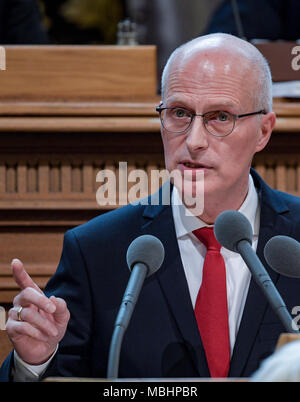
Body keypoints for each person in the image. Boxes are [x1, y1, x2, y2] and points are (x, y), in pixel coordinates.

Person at [1, 32, 300, 381]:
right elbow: (60, 373)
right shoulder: (97, 250)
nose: (194, 141)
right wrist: (34, 362)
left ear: (263, 131)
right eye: (179, 113)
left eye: (220, 117)